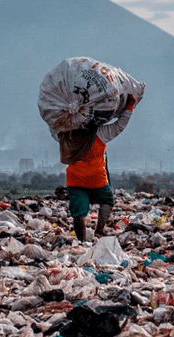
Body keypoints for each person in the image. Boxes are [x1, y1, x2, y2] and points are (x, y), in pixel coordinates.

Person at [56, 93, 138, 242]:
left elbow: (54, 127)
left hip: (75, 179)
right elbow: (120, 125)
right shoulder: (101, 132)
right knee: (107, 200)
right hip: (97, 179)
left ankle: (81, 241)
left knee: (79, 212)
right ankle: (99, 230)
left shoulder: (69, 133)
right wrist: (129, 106)